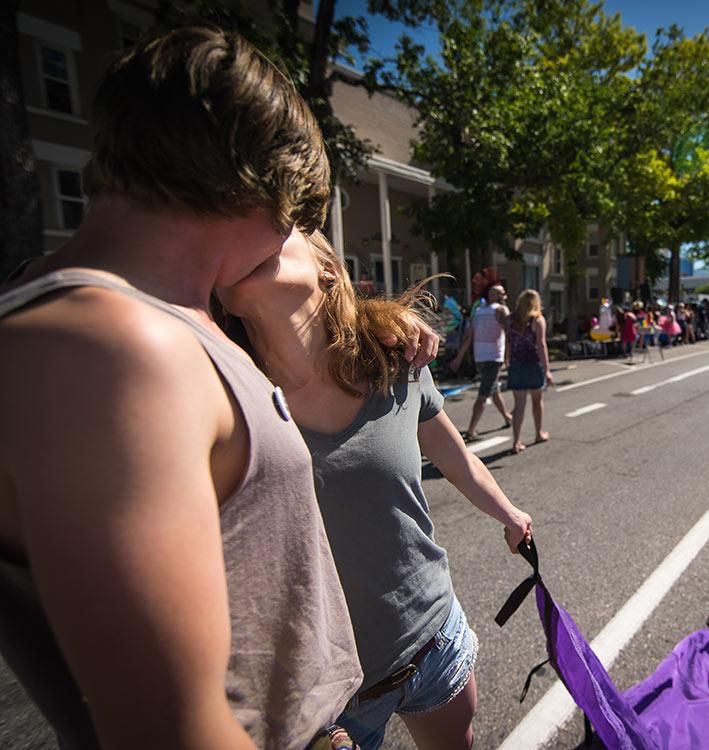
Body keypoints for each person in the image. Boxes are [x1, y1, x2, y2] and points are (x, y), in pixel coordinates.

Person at [0, 27, 442, 748]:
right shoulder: (113, 350)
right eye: (298, 219)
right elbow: (169, 727)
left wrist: (382, 326)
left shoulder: (162, 317)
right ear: (264, 192)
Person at [217, 230, 533, 750]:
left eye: (276, 227)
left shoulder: (396, 361)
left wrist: (510, 514)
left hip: (435, 638)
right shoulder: (227, 398)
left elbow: (457, 459)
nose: (250, 231)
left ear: (327, 269)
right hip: (332, 699)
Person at [452, 285, 513, 440]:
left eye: (499, 292)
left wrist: (507, 357)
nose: (496, 294)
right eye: (494, 291)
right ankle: (505, 418)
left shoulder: (498, 310)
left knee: (485, 392)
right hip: (483, 358)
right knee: (491, 391)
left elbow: (509, 334)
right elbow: (469, 337)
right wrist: (458, 358)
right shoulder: (481, 311)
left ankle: (473, 429)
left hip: (493, 358)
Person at [506, 290, 554, 453]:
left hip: (516, 364)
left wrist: (507, 360)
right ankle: (539, 433)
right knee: (537, 402)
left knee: (519, 405)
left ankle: (516, 441)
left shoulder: (510, 319)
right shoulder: (538, 320)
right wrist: (547, 369)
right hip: (533, 365)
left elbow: (508, 342)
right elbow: (541, 345)